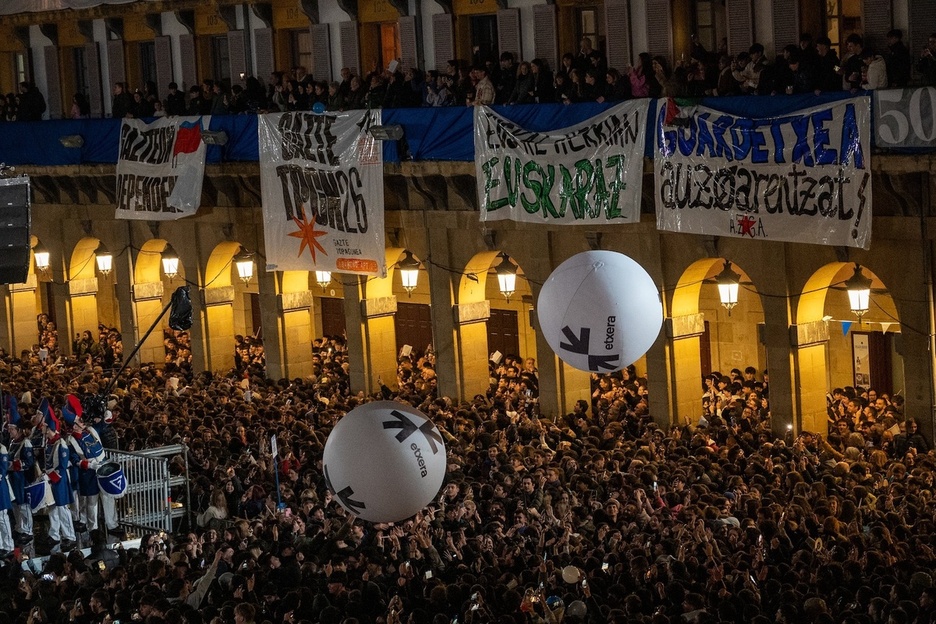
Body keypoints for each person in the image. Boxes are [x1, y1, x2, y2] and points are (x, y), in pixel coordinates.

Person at [40, 397, 76, 549]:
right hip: (50, 479)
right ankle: (54, 534)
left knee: (62, 509)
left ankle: (70, 536)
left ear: (52, 429)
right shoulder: (48, 443)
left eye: (46, 428)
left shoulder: (61, 444)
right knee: (52, 508)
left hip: (59, 480)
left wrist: (51, 477)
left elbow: (61, 466)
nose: (44, 430)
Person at [6, 395, 34, 545]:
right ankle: (19, 527)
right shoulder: (12, 442)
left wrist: (11, 465)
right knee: (16, 505)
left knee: (24, 505)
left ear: (19, 429)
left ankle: (28, 530)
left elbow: (28, 462)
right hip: (13, 479)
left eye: (12, 429)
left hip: (22, 479)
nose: (10, 431)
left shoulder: (26, 443)